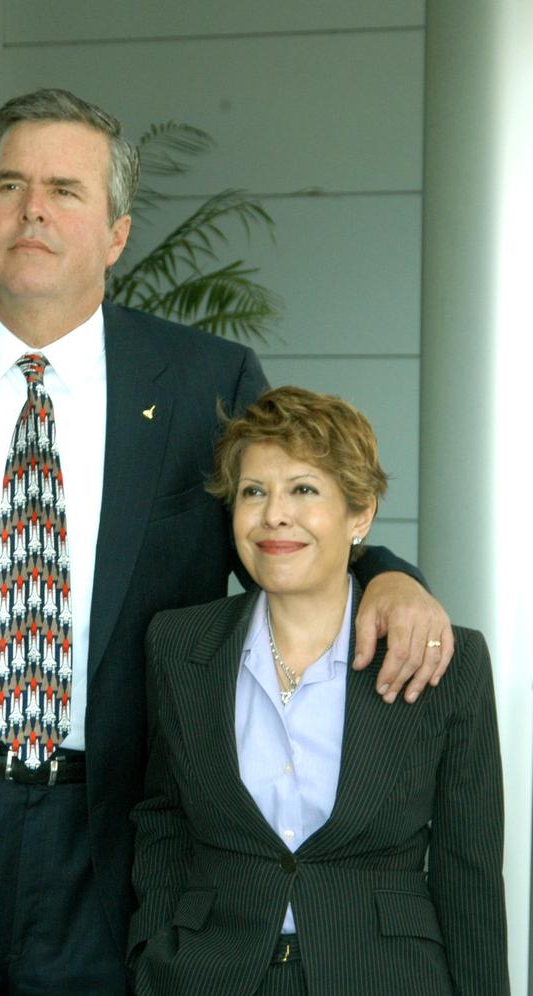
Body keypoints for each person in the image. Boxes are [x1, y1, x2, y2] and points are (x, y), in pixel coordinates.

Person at [0, 88, 450, 993]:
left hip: (118, 837)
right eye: (9, 184)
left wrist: (388, 576)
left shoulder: (200, 383)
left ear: (115, 233)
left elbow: (287, 526)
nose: (32, 208)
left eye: (65, 189)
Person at [129, 386, 507, 995]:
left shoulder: (445, 663)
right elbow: (163, 818)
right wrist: (153, 953)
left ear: (361, 514)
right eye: (255, 492)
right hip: (206, 974)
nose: (275, 515)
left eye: (304, 490)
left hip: (385, 979)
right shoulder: (178, 645)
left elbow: (470, 874)